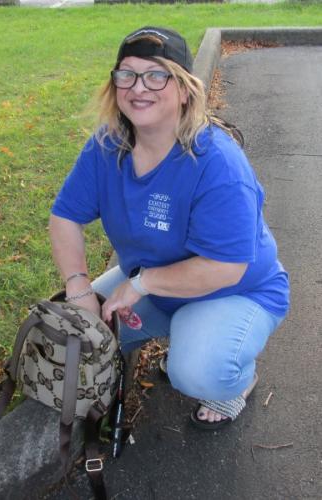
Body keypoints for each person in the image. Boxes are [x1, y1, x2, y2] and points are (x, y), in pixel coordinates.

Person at [49, 26, 289, 429]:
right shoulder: (108, 144)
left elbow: (224, 268)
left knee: (194, 373)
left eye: (156, 74)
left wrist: (140, 285)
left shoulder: (218, 164)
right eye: (126, 74)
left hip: (234, 291)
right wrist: (78, 291)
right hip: (150, 280)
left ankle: (236, 379)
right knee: (70, 338)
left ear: (184, 90)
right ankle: (190, 334)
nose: (139, 87)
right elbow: (65, 217)